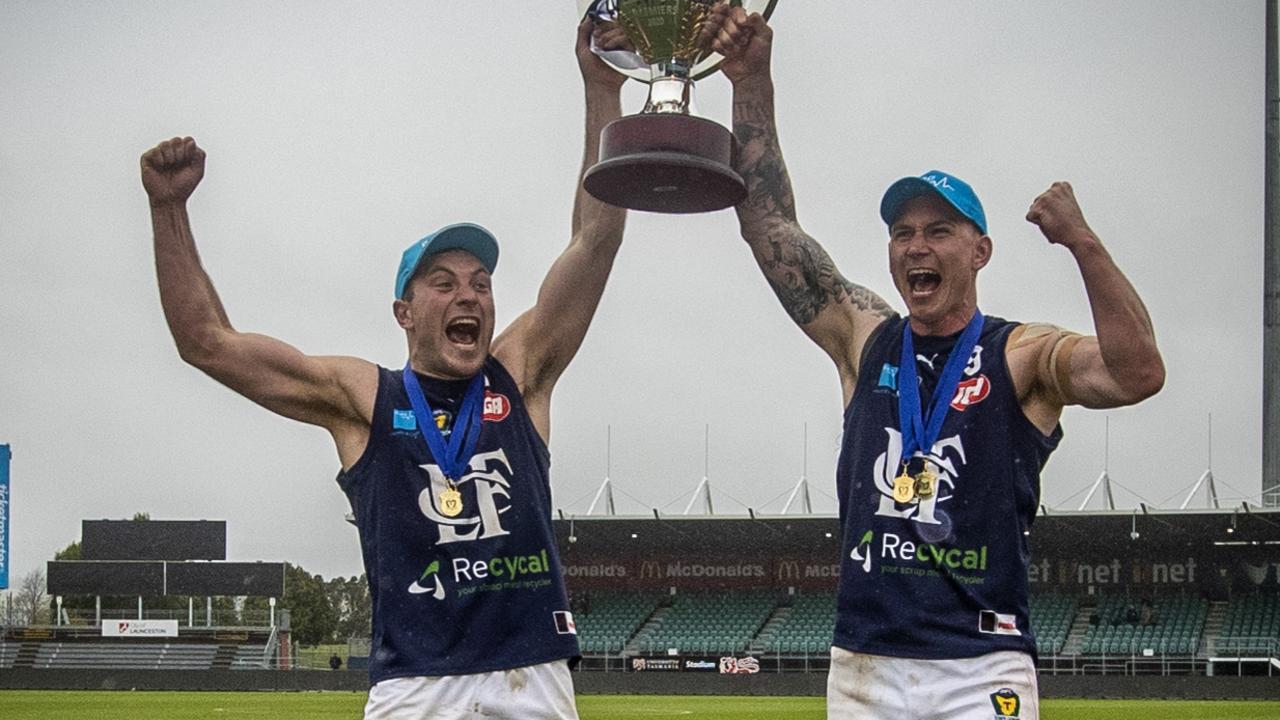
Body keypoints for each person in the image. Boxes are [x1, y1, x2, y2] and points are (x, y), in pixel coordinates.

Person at [140, 19, 627, 720]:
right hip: (416, 689)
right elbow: (207, 342)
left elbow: (596, 239)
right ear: (404, 311)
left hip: (532, 678)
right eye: (444, 282)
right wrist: (168, 209)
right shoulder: (365, 396)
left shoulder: (518, 374)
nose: (469, 295)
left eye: (481, 282)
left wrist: (600, 85)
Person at [707, 6, 1165, 719]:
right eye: (902, 233)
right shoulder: (866, 338)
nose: (916, 247)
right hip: (866, 662)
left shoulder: (1020, 353)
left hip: (981, 666)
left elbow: (1137, 373)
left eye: (939, 231)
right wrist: (750, 80)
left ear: (979, 250)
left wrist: (1083, 243)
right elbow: (769, 227)